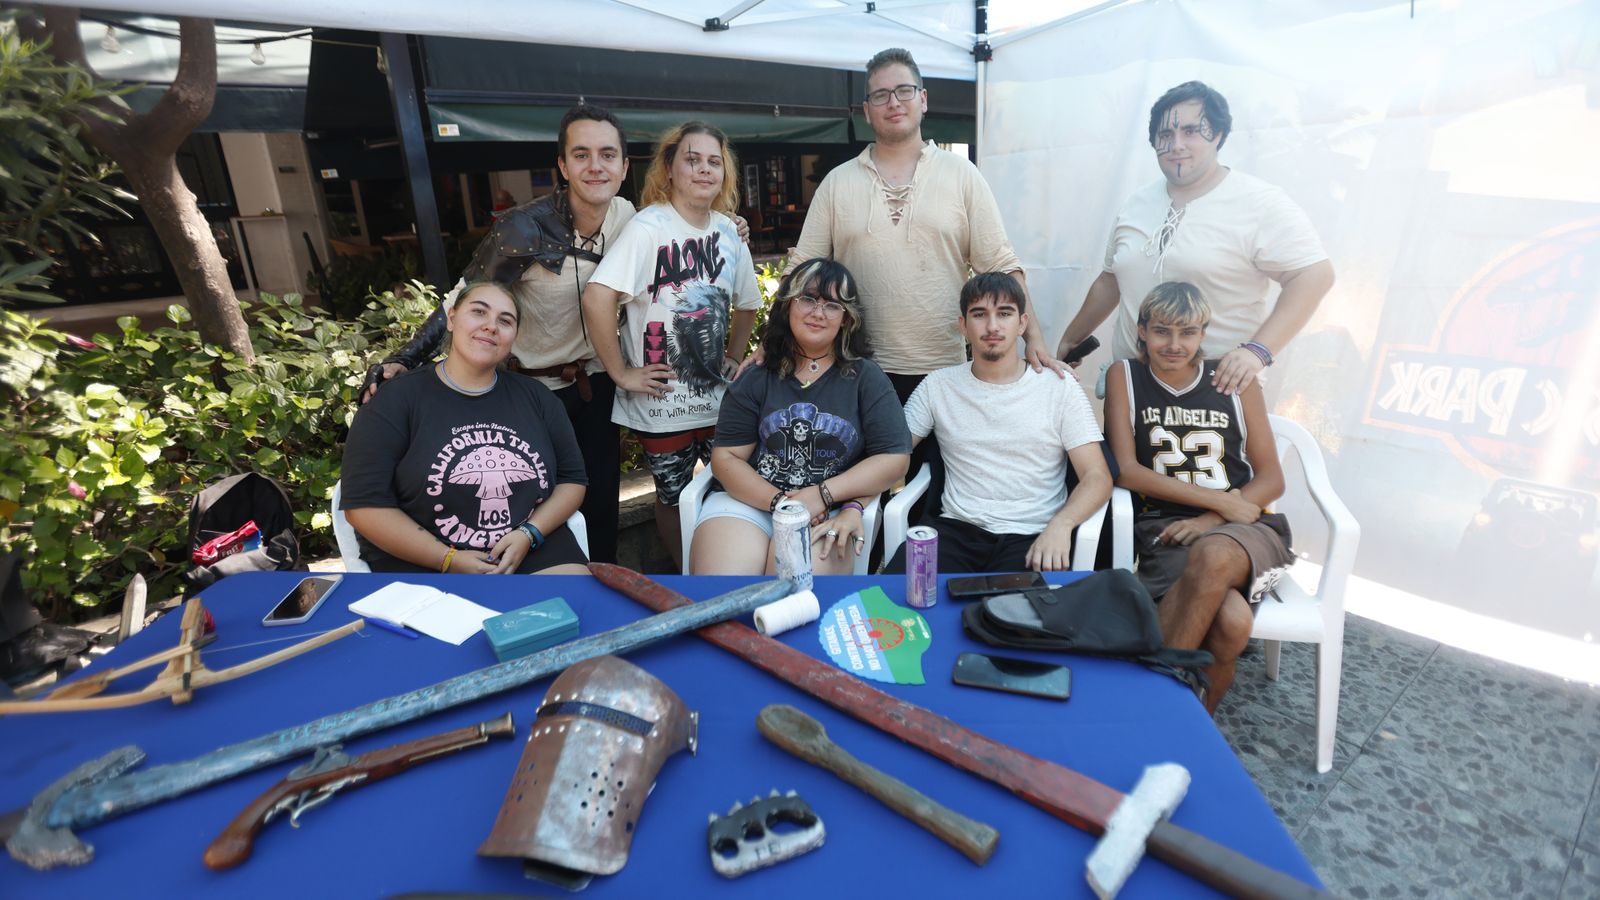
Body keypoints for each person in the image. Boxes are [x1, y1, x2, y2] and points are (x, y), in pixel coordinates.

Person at [358, 105, 635, 564]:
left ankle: (599, 589)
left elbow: (678, 229)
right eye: (581, 154)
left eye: (608, 155)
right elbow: (465, 299)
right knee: (528, 498)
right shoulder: (524, 227)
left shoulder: (629, 218)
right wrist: (405, 359)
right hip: (536, 390)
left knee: (602, 500)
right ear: (563, 166)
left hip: (596, 382)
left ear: (625, 167)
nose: (595, 166)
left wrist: (730, 223)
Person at [788, 48, 1064, 407]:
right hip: (855, 370)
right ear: (867, 110)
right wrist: (771, 343)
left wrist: (1035, 341)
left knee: (940, 466)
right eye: (880, 95)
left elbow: (1000, 264)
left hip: (946, 373)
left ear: (923, 99)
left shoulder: (962, 174)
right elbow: (802, 270)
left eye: (904, 90)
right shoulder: (837, 183)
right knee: (873, 464)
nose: (894, 102)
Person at [1057, 81, 1335, 396]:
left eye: (1190, 131)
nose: (1177, 145)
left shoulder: (1260, 203)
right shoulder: (1135, 205)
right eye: (1166, 135)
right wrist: (1071, 338)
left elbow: (1314, 274)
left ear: (1217, 135)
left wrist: (1258, 351)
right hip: (1133, 393)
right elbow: (1110, 281)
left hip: (1217, 397)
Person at [1104, 281, 1293, 712]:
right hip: (1168, 527)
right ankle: (1195, 727)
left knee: (1213, 556)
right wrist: (1221, 502)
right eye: (1162, 331)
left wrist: (1216, 514)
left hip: (1247, 528)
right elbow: (1129, 471)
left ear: (1203, 334)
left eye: (1187, 333)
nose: (1174, 344)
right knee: (1232, 624)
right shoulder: (1125, 376)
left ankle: (1151, 709)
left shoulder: (1234, 380)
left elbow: (1272, 479)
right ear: (1142, 330)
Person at [582, 121, 761, 571]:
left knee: (736, 488)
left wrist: (736, 356)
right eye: (692, 159)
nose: (704, 170)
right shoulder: (649, 228)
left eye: (713, 162)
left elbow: (747, 304)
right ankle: (686, 578)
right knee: (672, 495)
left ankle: (724, 569)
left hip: (718, 399)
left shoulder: (728, 233)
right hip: (662, 403)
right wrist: (622, 371)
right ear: (670, 167)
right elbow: (597, 296)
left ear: (725, 174)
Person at [341, 283, 589, 575]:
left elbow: (572, 480)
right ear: (452, 318)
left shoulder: (538, 397)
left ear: (514, 336)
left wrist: (529, 534)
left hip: (529, 549)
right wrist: (448, 559)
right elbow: (364, 506)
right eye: (478, 312)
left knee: (576, 611)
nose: (491, 326)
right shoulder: (394, 399)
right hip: (421, 559)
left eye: (505, 320)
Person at [690, 258, 910, 575]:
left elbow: (893, 458)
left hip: (829, 512)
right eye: (807, 299)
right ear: (787, 306)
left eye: (832, 305)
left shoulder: (866, 378)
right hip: (748, 503)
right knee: (723, 588)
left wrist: (822, 495)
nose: (818, 313)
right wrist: (783, 503)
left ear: (847, 319)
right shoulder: (757, 377)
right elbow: (726, 459)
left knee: (794, 592)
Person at [886, 272, 1111, 574]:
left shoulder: (1059, 387)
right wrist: (850, 504)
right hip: (955, 531)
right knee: (890, 609)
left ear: (1022, 323)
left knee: (1012, 620)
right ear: (963, 325)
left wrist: (1062, 524)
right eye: (980, 315)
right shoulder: (937, 386)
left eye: (1004, 314)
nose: (992, 326)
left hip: (1034, 535)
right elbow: (889, 454)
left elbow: (1097, 476)